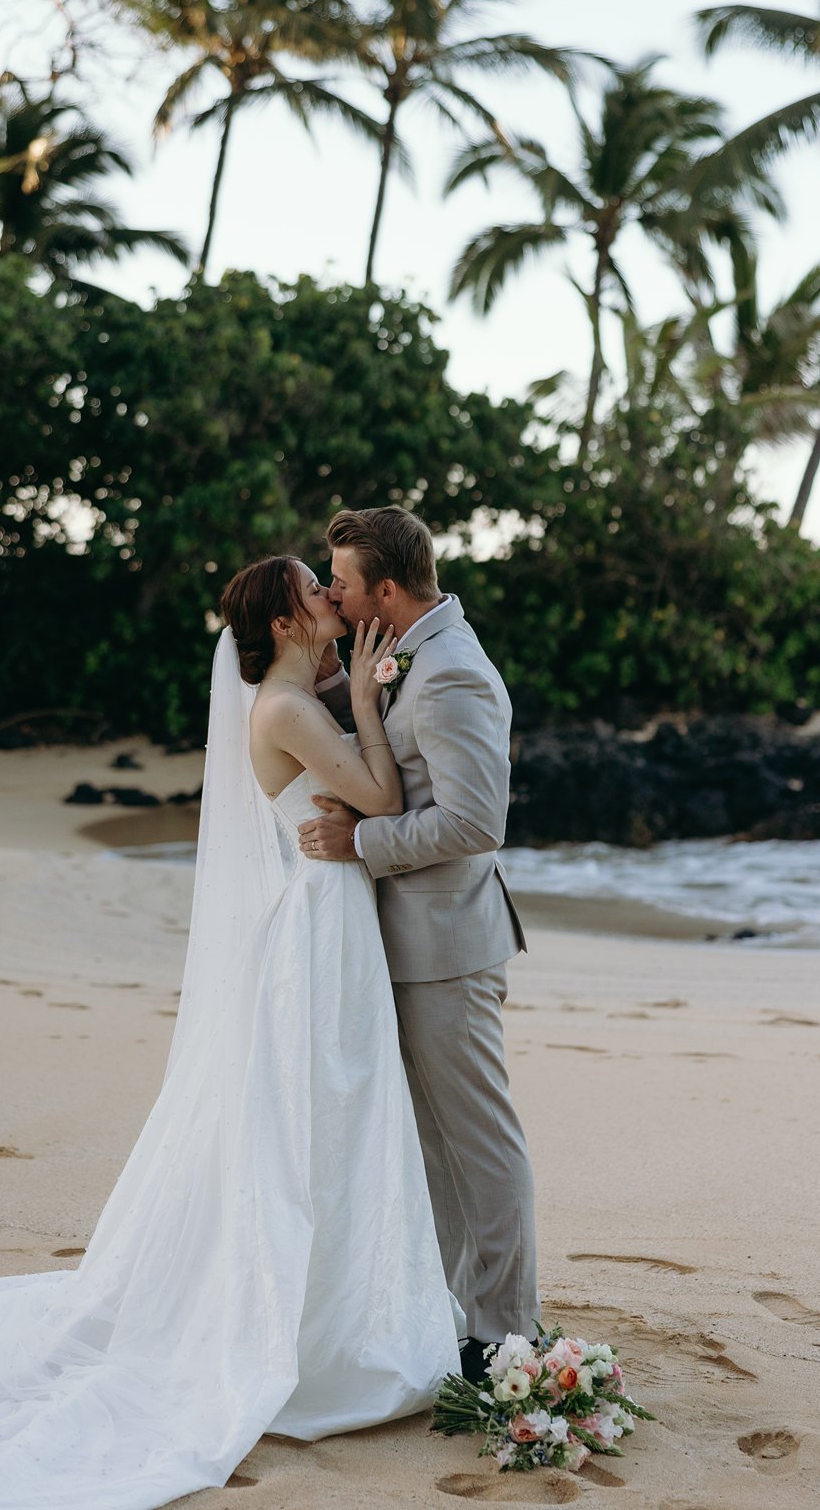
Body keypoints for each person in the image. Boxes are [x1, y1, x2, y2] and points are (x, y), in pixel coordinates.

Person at [0, 555, 459, 1509]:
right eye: (313, 587)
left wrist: (353, 692)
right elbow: (384, 801)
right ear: (285, 622)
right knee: (320, 1115)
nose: (331, 594)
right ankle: (321, 1333)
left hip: (332, 917)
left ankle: (343, 1314)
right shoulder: (285, 710)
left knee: (338, 1113)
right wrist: (365, 697)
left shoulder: (290, 698)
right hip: (320, 924)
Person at [298, 505, 540, 1383]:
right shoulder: (400, 649)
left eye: (343, 584)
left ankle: (507, 1332)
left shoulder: (452, 675)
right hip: (405, 942)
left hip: (449, 948)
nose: (333, 594)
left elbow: (477, 823)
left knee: (479, 1141)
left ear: (388, 591)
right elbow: (389, 746)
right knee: (434, 1146)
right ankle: (454, 1318)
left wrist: (360, 841)